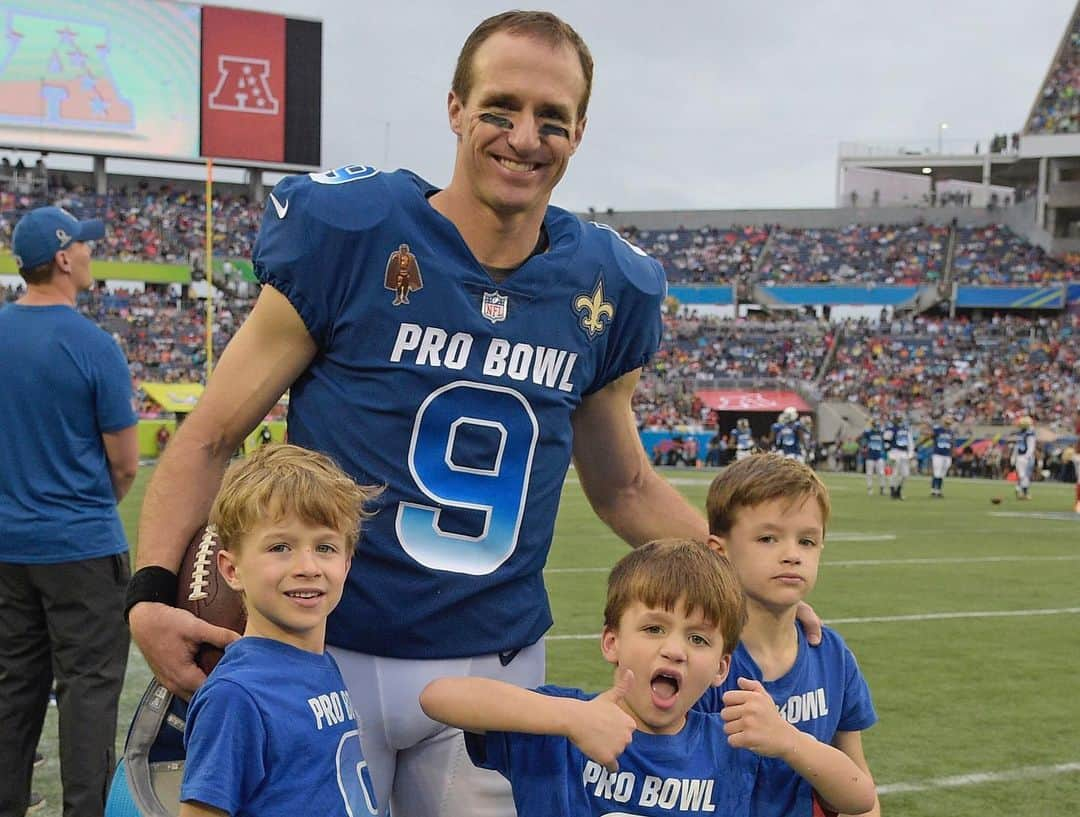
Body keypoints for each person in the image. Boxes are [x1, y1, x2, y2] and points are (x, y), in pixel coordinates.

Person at [127, 12, 787, 817]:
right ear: (455, 110)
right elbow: (211, 434)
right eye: (501, 108)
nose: (524, 135)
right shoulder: (356, 233)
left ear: (580, 131)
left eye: (552, 118)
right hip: (328, 648)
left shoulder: (604, 286)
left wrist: (739, 577)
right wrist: (151, 592)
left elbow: (623, 486)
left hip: (494, 665)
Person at [420, 540, 876, 817]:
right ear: (611, 642)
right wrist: (568, 718)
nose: (674, 649)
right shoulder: (564, 729)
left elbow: (857, 796)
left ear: (722, 667)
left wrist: (788, 740)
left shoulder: (733, 746)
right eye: (654, 628)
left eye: (698, 640)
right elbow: (439, 697)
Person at [0, 206, 138, 817]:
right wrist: (86, 508)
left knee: (14, 688)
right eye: (82, 246)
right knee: (88, 694)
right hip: (81, 545)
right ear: (62, 258)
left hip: (8, 546)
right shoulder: (91, 344)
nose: (88, 253)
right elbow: (126, 463)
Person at [179, 444, 381, 817]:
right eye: (280, 547)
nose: (308, 566)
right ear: (231, 570)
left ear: (347, 563)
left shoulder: (320, 663)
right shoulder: (236, 696)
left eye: (325, 547)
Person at [703, 453, 881, 817]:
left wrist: (788, 741)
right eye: (768, 538)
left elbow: (859, 791)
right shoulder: (697, 658)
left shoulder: (832, 655)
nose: (791, 555)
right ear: (719, 551)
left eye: (807, 541)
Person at [884, 412, 914, 500]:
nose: (898, 420)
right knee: (895, 472)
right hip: (894, 451)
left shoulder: (906, 429)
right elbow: (886, 442)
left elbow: (910, 442)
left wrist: (911, 453)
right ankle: (893, 491)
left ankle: (898, 490)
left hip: (904, 453)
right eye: (897, 419)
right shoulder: (891, 429)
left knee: (905, 474)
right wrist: (889, 453)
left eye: (899, 419)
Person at [1010, 415, 1037, 500]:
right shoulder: (1029, 434)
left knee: (1022, 476)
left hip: (1020, 456)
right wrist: (1027, 457)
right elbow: (1031, 447)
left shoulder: (1021, 433)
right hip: (1025, 457)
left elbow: (1017, 447)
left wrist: (1013, 457)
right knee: (1025, 476)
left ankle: (1019, 490)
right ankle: (1024, 493)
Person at [928, 415, 954, 498]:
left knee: (942, 474)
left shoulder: (950, 431)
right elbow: (930, 436)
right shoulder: (938, 430)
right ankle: (934, 490)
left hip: (947, 455)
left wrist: (952, 452)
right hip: (938, 454)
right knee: (937, 472)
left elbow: (952, 442)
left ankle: (938, 490)